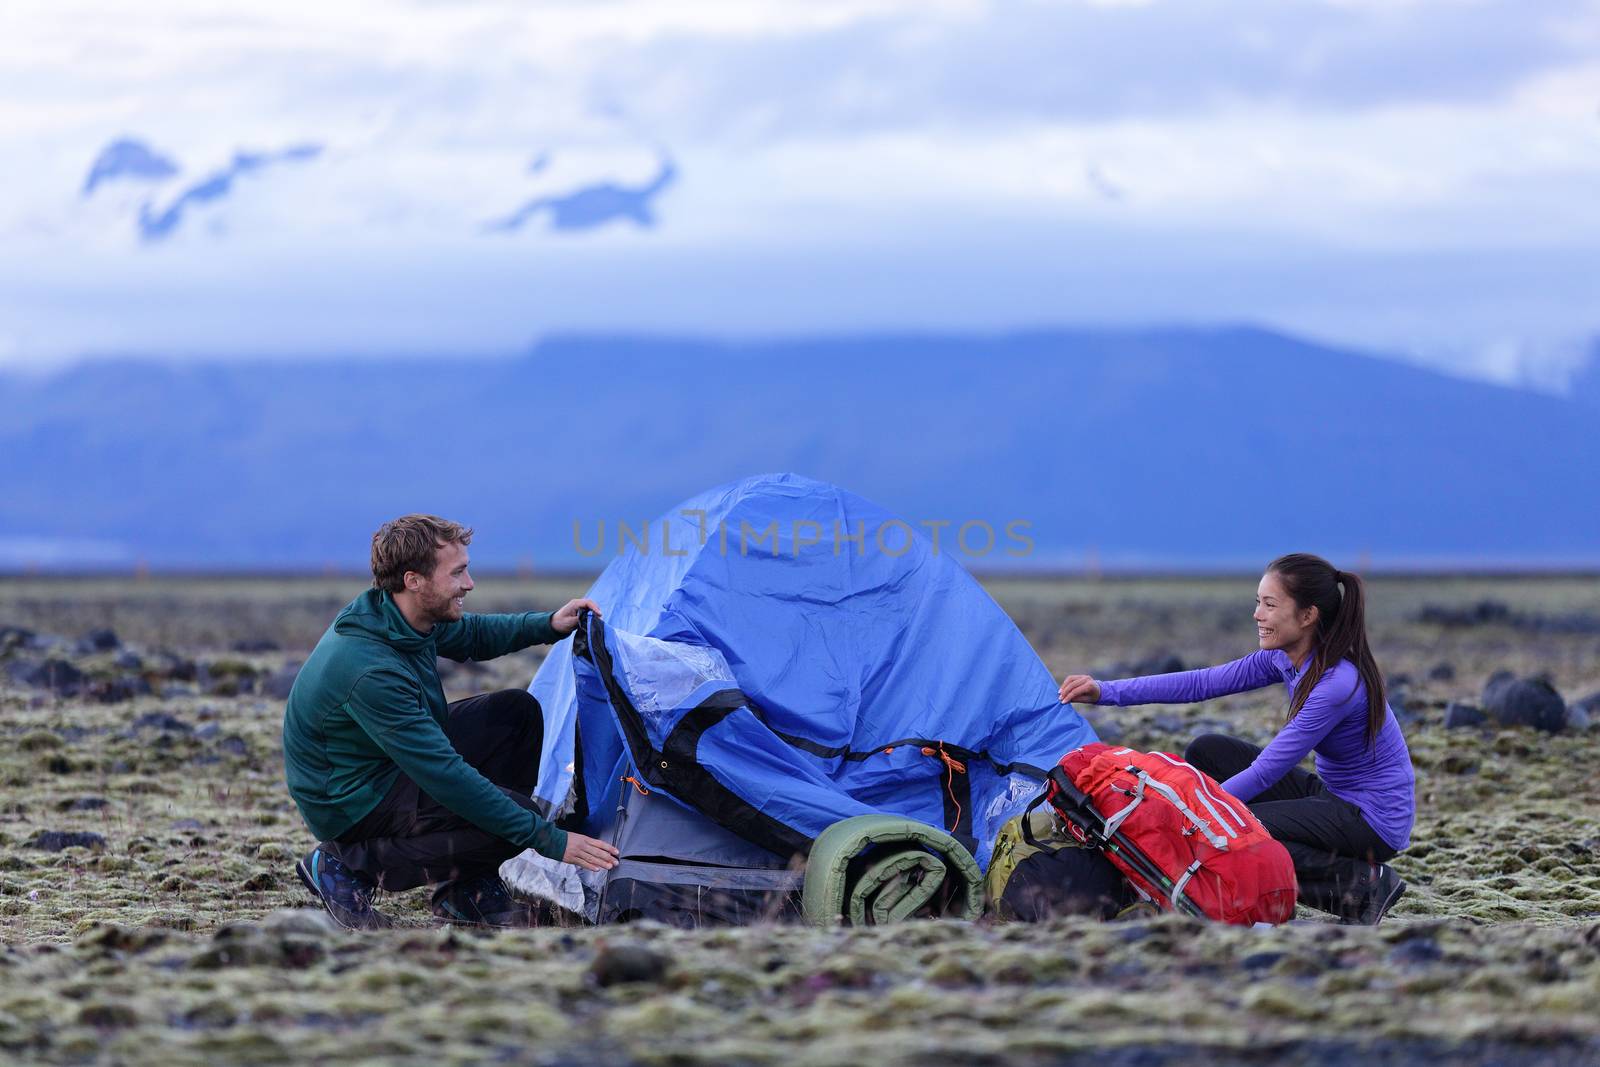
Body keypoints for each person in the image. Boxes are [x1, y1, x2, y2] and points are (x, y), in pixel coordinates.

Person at [282, 514, 619, 929]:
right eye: (457, 572)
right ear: (413, 580)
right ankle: (347, 865)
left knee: (516, 714)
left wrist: (549, 624)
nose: (469, 583)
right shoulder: (370, 670)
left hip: (381, 763)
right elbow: (446, 776)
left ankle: (464, 891)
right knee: (507, 821)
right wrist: (549, 840)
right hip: (350, 799)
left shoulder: (401, 617)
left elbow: (472, 635)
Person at [1057, 553, 1414, 924]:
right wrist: (1104, 690)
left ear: (1308, 616)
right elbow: (1201, 683)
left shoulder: (1337, 685)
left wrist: (1197, 820)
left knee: (1248, 830)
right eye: (1258, 602)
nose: (1257, 614)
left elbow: (1267, 770)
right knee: (1206, 750)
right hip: (1335, 798)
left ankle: (1363, 886)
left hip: (1374, 821)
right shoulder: (1284, 658)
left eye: (1270, 605)